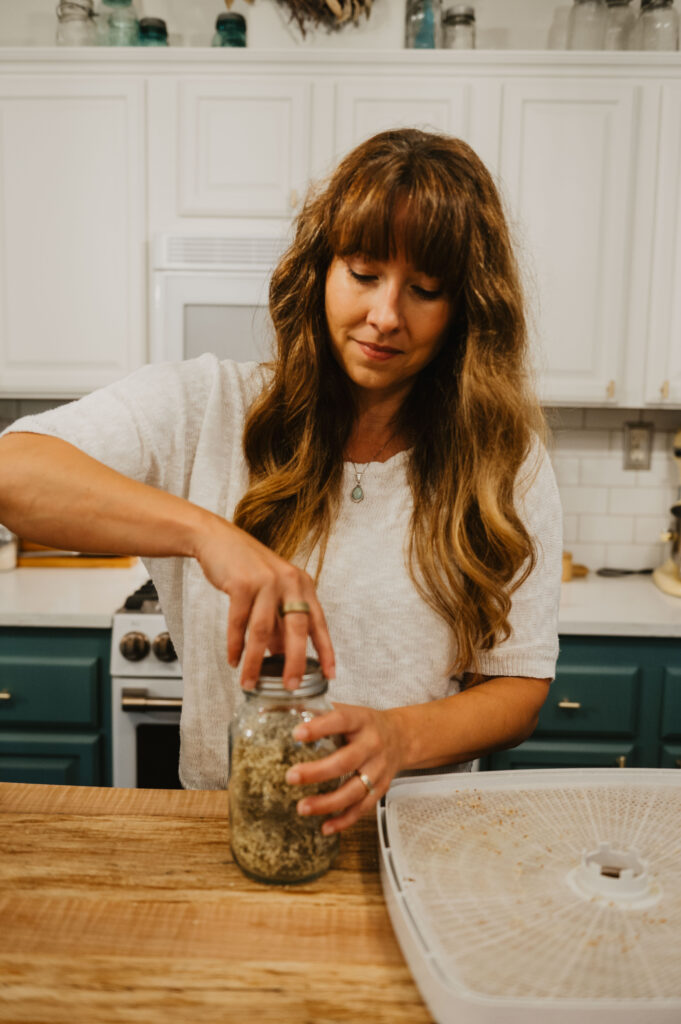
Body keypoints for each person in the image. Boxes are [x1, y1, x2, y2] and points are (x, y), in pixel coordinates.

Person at [0, 128, 562, 837]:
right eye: (362, 274)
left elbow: (515, 688)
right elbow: (12, 471)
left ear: (464, 312)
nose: (385, 316)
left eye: (424, 290)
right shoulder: (205, 408)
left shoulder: (504, 462)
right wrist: (206, 534)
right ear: (320, 271)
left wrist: (397, 737)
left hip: (413, 843)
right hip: (232, 832)